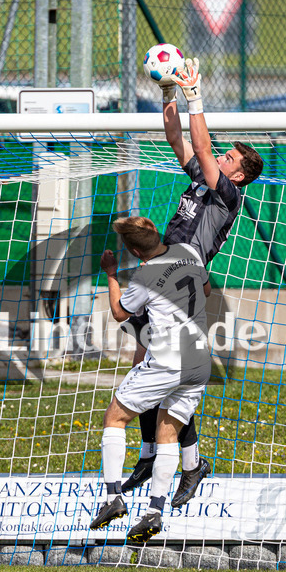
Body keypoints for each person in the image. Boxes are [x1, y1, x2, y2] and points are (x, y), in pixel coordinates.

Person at [120, 57, 264, 506]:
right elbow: (176, 138)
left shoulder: (228, 194)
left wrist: (194, 97)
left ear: (238, 175)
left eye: (229, 158)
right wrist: (168, 93)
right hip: (163, 272)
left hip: (182, 278)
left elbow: (201, 147)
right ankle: (156, 456)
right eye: (224, 154)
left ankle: (187, 462)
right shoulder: (203, 178)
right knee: (144, 362)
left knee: (166, 369)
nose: (221, 156)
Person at [91, 216, 212, 542]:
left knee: (115, 417)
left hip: (168, 360)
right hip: (200, 360)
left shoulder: (145, 276)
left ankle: (112, 497)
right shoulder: (188, 251)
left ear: (133, 251)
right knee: (167, 432)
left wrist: (111, 273)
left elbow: (120, 313)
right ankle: (154, 512)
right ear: (156, 233)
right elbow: (205, 289)